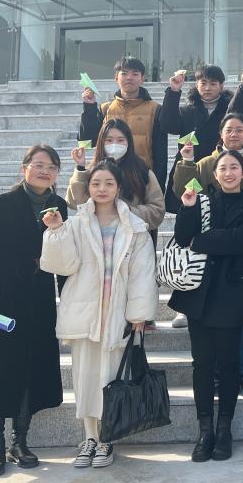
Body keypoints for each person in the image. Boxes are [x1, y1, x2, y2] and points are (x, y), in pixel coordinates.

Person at [0, 144, 65, 477]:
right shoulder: (4, 203)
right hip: (2, 298)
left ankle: (20, 442)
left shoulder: (59, 205)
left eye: (51, 167)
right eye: (39, 164)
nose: (44, 171)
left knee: (30, 369)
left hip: (38, 298)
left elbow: (64, 252)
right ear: (24, 168)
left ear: (57, 174)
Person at [40, 160, 156, 469]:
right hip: (85, 311)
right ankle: (89, 437)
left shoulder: (134, 227)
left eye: (108, 183)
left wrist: (139, 314)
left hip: (117, 313)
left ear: (119, 187)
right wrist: (55, 231)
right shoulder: (77, 223)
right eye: (95, 183)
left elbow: (143, 273)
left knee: (110, 378)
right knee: (86, 378)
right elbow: (62, 266)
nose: (102, 189)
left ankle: (107, 438)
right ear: (88, 187)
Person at [169, 150, 243, 462]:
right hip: (200, 294)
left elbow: (240, 240)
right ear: (214, 173)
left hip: (232, 294)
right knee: (202, 364)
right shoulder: (201, 201)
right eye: (223, 167)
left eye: (234, 167)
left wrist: (202, 240)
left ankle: (225, 430)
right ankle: (205, 430)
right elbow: (183, 237)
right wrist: (186, 209)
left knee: (228, 364)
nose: (228, 172)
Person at [68, 118, 165, 249]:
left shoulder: (142, 172)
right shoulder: (92, 171)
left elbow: (157, 211)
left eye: (120, 140)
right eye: (109, 140)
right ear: (101, 142)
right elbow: (76, 203)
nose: (114, 144)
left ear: (129, 142)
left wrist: (127, 212)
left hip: (134, 244)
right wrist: (80, 168)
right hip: (96, 243)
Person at [79, 56, 168, 190]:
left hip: (141, 179)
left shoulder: (155, 109)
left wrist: (158, 187)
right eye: (124, 73)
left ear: (143, 79)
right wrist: (89, 107)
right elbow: (87, 141)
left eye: (135, 74)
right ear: (116, 78)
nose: (129, 78)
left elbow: (161, 155)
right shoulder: (106, 108)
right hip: (108, 179)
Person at [159, 64, 232, 212]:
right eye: (203, 83)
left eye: (213, 84)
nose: (207, 88)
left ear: (221, 86)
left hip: (216, 170)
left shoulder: (229, 112)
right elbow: (168, 125)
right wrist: (174, 91)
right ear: (197, 85)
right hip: (187, 170)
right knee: (186, 214)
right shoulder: (187, 111)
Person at [172, 112, 243, 201]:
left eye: (239, 130)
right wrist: (187, 160)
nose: (234, 135)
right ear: (221, 134)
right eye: (228, 130)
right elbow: (182, 193)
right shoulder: (205, 164)